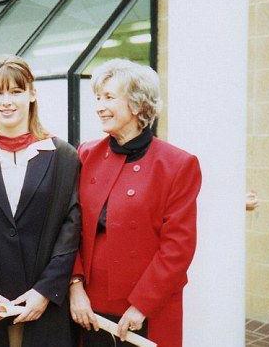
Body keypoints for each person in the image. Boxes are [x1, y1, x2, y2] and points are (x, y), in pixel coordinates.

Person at [69, 59, 202, 347]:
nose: (99, 106)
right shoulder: (86, 154)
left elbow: (178, 247)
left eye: (109, 97)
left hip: (147, 311)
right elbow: (69, 225)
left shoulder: (178, 164)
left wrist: (142, 305)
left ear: (139, 105)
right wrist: (75, 286)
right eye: (98, 97)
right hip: (89, 309)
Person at [0, 54, 80, 347]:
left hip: (45, 307)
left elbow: (71, 227)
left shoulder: (63, 155)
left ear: (32, 93)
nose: (6, 101)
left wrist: (46, 290)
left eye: (16, 91)